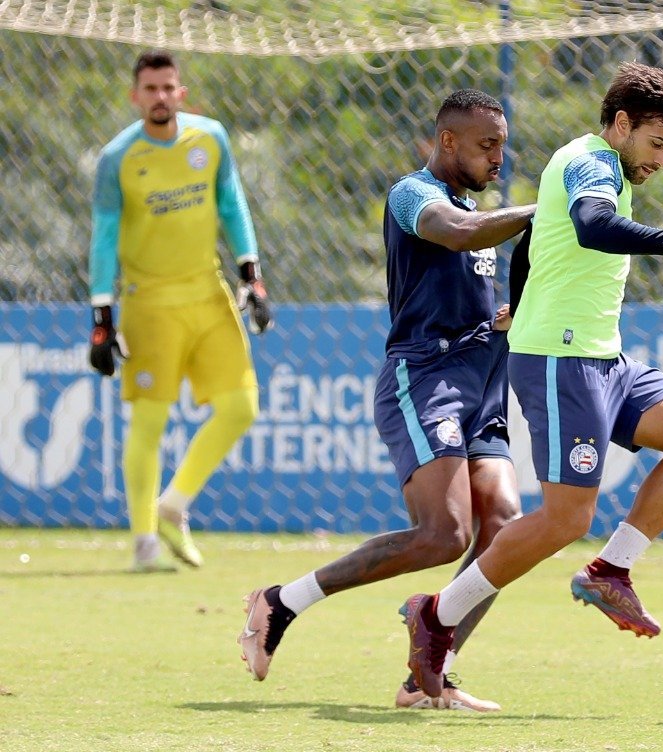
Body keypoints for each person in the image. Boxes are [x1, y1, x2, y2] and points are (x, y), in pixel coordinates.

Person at [398, 62, 663, 701]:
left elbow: (533, 242)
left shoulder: (608, 167)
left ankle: (612, 568)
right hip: (561, 361)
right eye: (656, 143)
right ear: (620, 125)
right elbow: (592, 226)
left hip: (604, 358)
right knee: (564, 518)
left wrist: (521, 299)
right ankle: (437, 614)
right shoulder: (591, 163)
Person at [237, 90, 536, 712]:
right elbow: (457, 235)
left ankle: (430, 671)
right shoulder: (414, 194)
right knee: (443, 534)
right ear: (447, 142)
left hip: (485, 382)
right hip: (425, 379)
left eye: (503, 146)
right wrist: (550, 207)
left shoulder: (480, 209)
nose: (498, 159)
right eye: (487, 146)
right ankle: (282, 601)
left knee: (503, 528)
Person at [88, 49, 269, 572]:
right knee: (149, 421)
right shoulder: (117, 157)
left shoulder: (209, 137)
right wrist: (102, 316)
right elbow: (103, 237)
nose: (160, 97)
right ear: (135, 96)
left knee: (241, 406)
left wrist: (250, 274)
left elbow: (232, 204)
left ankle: (173, 505)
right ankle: (144, 540)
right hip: (149, 303)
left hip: (208, 293)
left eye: (169, 88)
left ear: (181, 92)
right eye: (151, 89)